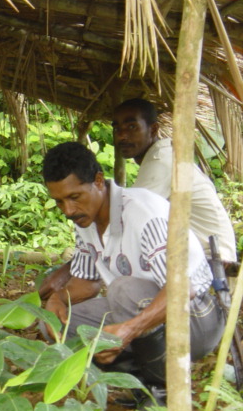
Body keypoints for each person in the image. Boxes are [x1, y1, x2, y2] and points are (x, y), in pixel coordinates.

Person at [42, 142, 224, 400]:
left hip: (196, 318)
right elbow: (86, 285)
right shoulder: (85, 220)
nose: (68, 211)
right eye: (59, 202)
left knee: (123, 290)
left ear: (97, 181)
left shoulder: (143, 213)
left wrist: (128, 330)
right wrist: (56, 299)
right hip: (142, 308)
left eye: (74, 197)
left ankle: (160, 391)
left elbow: (184, 289)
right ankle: (139, 377)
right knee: (56, 323)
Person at [39, 98, 237, 300]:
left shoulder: (163, 161)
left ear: (153, 130)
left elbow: (126, 220)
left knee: (125, 288)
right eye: (117, 129)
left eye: (132, 127)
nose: (123, 136)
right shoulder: (156, 157)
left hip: (208, 257)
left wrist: (65, 273)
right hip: (183, 250)